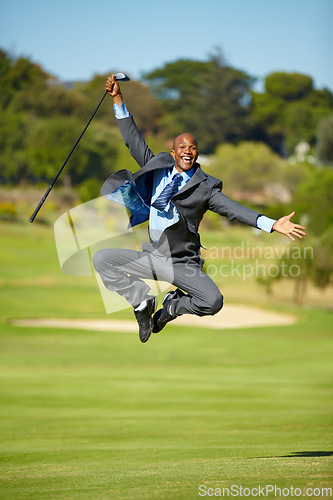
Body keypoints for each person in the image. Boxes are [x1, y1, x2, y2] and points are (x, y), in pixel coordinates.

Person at [93, 75, 306, 343]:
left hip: (182, 262)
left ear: (196, 154)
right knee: (102, 260)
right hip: (153, 256)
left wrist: (271, 223)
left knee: (213, 301)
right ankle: (141, 302)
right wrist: (118, 100)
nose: (187, 151)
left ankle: (171, 306)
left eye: (192, 148)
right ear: (173, 153)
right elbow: (133, 140)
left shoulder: (205, 187)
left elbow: (233, 209)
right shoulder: (157, 167)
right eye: (182, 147)